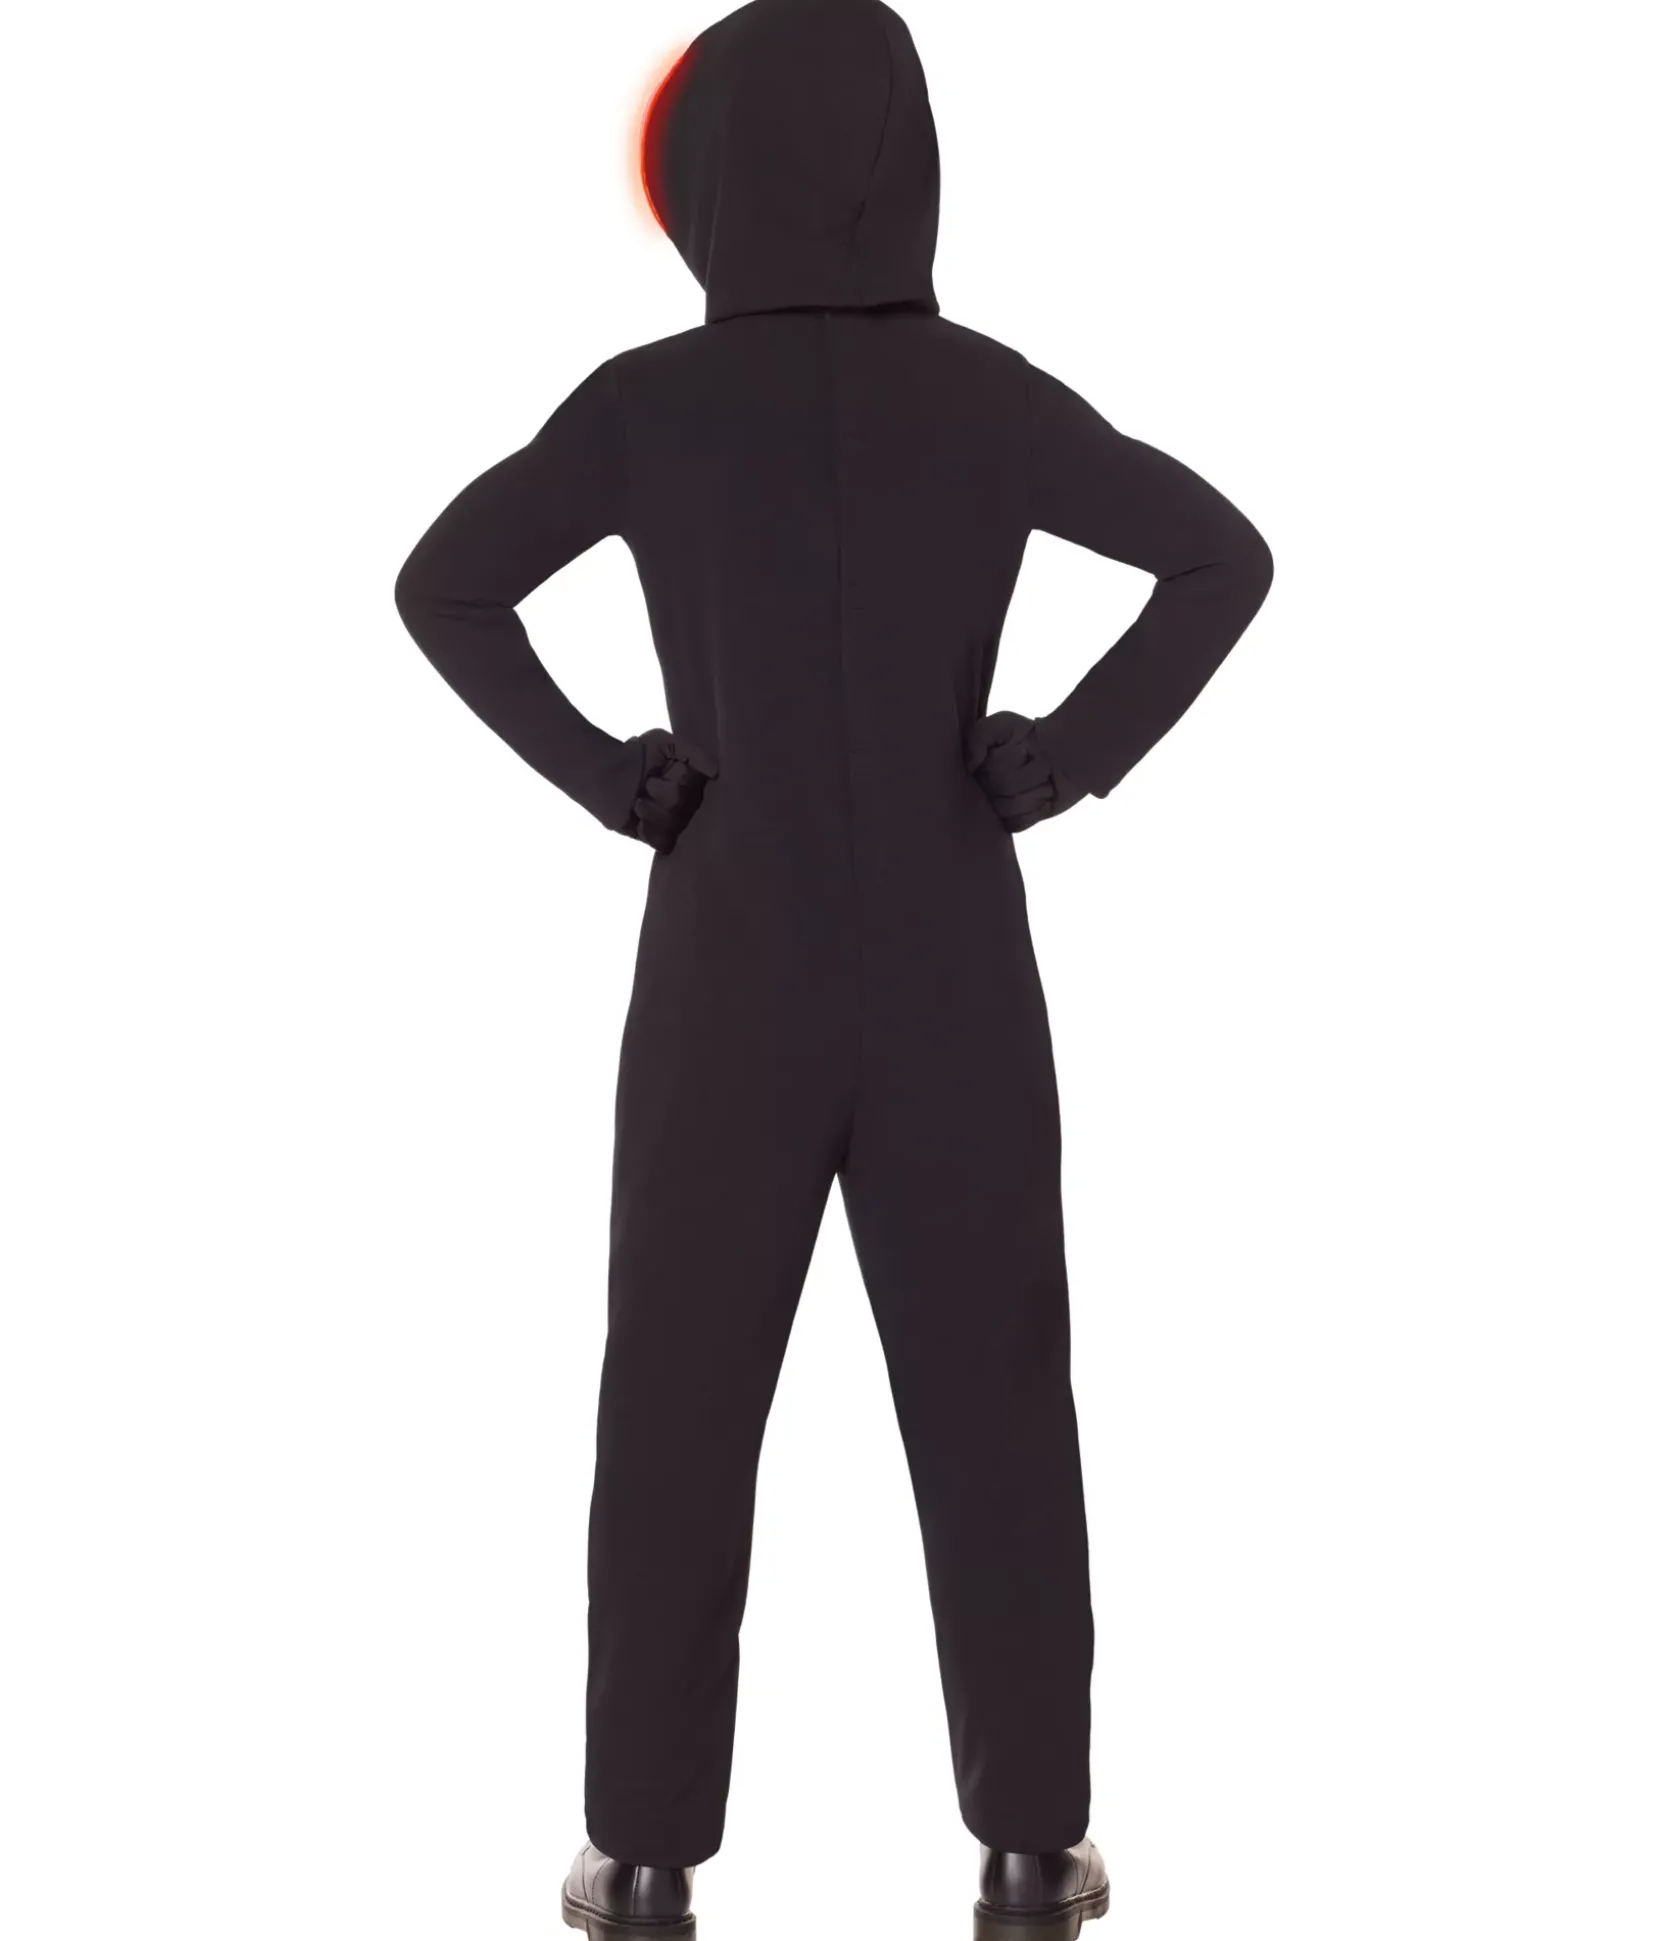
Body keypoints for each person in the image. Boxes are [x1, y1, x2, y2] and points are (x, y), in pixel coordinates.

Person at [391, 0, 1273, 1932]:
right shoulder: (987, 395)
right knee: (995, 1398)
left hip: (728, 944)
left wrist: (618, 779)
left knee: (680, 1399)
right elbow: (1222, 557)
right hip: (957, 940)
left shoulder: (647, 407)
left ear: (711, 176)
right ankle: (1031, 1841)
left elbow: (441, 584)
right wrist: (1060, 756)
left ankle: (642, 1853)